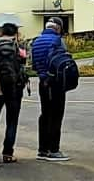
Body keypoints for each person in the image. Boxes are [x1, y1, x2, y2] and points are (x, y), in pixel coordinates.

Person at [29, 19, 74, 161]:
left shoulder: (35, 42)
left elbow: (34, 64)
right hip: (56, 82)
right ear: (58, 28)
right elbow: (64, 61)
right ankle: (54, 149)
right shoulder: (58, 41)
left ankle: (42, 149)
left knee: (45, 114)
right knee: (56, 115)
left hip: (43, 82)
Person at [0, 22, 29, 163]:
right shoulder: (18, 46)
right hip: (14, 88)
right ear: (15, 33)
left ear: (2, 32)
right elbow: (23, 63)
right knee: (12, 120)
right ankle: (8, 153)